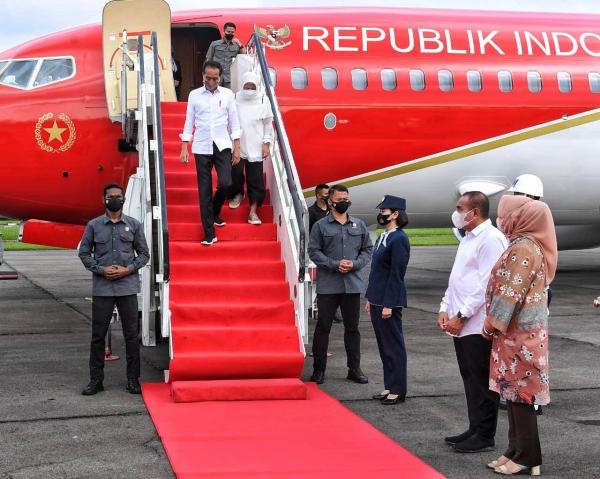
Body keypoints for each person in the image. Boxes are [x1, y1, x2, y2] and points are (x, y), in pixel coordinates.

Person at [482, 194, 557, 475]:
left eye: (505, 215)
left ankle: (528, 456)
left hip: (520, 336)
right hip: (514, 334)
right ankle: (514, 449)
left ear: (519, 217)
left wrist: (491, 323)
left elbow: (510, 292)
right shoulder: (522, 245)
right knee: (511, 394)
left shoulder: (524, 248)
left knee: (522, 396)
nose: (501, 220)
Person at [438, 191, 508, 453]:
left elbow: (485, 286)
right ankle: (475, 427)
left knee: (481, 379)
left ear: (474, 212)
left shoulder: (491, 239)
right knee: (469, 377)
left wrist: (462, 315)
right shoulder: (468, 238)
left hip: (476, 322)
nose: (456, 213)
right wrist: (445, 307)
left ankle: (485, 435)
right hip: (460, 321)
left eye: (460, 208)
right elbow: (457, 278)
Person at [78, 183, 150, 396]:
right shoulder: (94, 226)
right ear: (104, 200)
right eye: (110, 197)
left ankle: (132, 380)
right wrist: (101, 270)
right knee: (98, 336)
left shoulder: (134, 225)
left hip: (127, 288)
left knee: (131, 335)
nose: (114, 199)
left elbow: (144, 255)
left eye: (118, 196)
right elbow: (84, 253)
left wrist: (127, 270)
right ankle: (96, 380)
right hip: (102, 289)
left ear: (123, 200)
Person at [308, 184, 373, 385]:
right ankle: (319, 370)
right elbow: (314, 251)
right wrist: (334, 265)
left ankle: (354, 369)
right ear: (330, 201)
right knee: (323, 328)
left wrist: (355, 264)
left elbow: (367, 250)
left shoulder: (359, 225)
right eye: (339, 199)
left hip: (352, 285)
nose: (343, 202)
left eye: (346, 198)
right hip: (329, 284)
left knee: (352, 329)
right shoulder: (321, 226)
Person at [180, 60, 241, 245]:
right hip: (201, 146)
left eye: (215, 79)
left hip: (222, 144)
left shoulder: (228, 94)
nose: (212, 82)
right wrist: (185, 146)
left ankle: (214, 212)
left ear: (220, 77)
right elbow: (189, 120)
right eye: (208, 78)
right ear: (203, 75)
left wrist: (237, 146)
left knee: (225, 183)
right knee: (204, 191)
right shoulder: (194, 95)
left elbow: (234, 121)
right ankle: (209, 233)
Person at [365, 195, 410, 405]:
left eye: (384, 211)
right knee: (384, 346)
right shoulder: (384, 236)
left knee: (394, 346)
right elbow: (376, 271)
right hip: (377, 299)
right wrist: (370, 298)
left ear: (395, 214)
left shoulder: (399, 238)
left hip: (388, 301)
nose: (381, 214)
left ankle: (398, 389)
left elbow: (396, 274)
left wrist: (389, 304)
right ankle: (389, 385)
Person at [227, 71, 273, 225]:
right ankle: (238, 193)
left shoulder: (262, 99)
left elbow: (267, 123)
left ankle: (253, 210)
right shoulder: (234, 98)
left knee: (256, 179)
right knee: (236, 172)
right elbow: (229, 120)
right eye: (246, 86)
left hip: (256, 144)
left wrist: (266, 143)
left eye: (252, 87)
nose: (249, 89)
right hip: (238, 143)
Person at [205, 22, 246, 89]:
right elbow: (208, 60)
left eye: (232, 32)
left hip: (229, 77)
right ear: (224, 31)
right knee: (214, 94)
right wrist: (205, 76)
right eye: (228, 31)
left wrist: (239, 43)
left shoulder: (236, 45)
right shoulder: (215, 44)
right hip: (216, 76)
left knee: (229, 95)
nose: (230, 33)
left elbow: (244, 55)